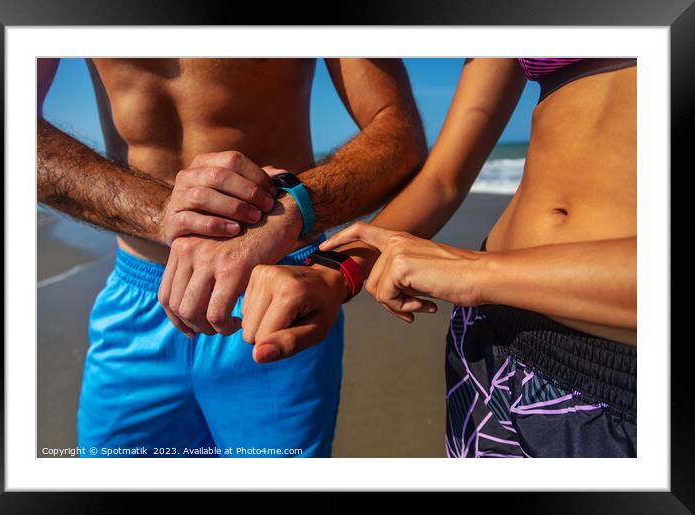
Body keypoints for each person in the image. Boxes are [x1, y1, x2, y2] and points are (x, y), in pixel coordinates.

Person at [242, 58, 637, 458]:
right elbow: (442, 180)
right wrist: (336, 270)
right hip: (489, 344)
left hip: (620, 379)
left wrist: (473, 273)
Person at [37, 58, 426, 457]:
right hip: (138, 297)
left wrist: (296, 208)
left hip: (276, 292)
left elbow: (399, 132)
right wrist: (162, 212)